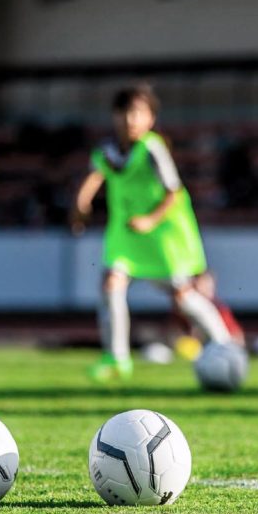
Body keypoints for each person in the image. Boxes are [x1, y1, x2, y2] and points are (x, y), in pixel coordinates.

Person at [71, 84, 233, 381]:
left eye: (137, 113)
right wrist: (81, 204)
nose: (129, 120)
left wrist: (150, 220)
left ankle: (225, 344)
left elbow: (174, 191)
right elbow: (93, 177)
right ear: (114, 117)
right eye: (123, 113)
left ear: (151, 119)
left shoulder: (152, 148)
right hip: (127, 235)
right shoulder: (107, 151)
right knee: (111, 284)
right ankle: (117, 358)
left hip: (163, 233)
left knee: (182, 296)